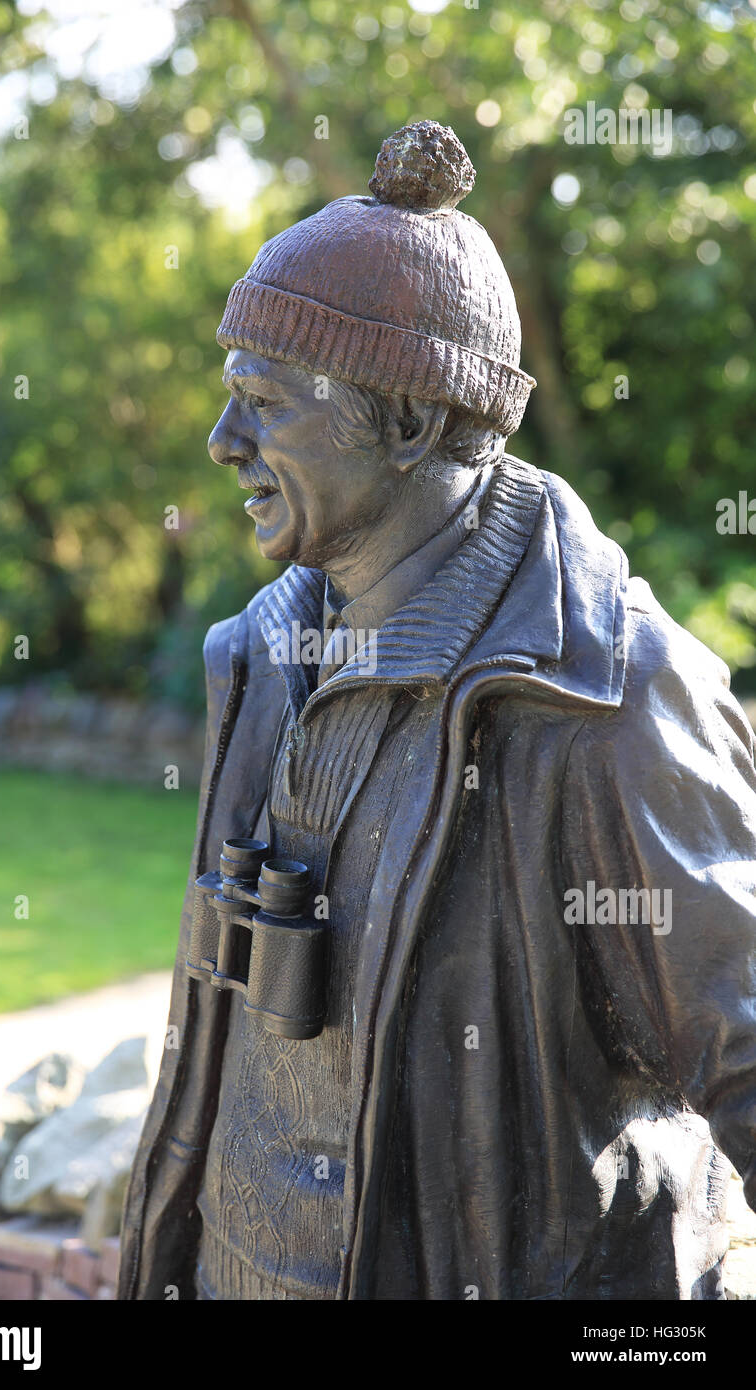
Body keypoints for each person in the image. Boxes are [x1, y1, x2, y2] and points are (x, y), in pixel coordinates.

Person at [119, 121, 756, 1300]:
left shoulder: (606, 695)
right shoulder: (260, 653)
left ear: (409, 425)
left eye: (264, 403)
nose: (222, 445)